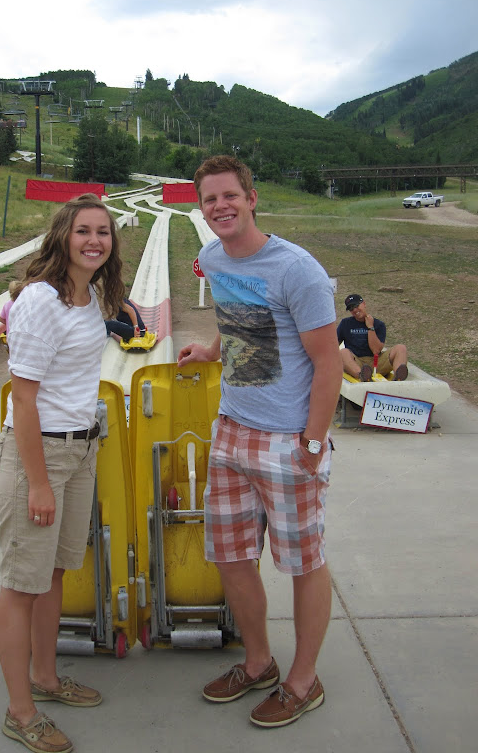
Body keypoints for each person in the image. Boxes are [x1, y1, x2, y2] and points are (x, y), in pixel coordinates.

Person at [177, 156, 342, 729]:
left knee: (303, 563)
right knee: (231, 558)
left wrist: (313, 443)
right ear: (202, 209)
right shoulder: (213, 258)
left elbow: (329, 364)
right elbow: (236, 320)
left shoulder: (298, 271)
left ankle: (303, 680)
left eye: (230, 195)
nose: (220, 206)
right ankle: (258, 663)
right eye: (210, 199)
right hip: (231, 431)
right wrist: (210, 350)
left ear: (251, 198)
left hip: (287, 441)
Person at [0, 194, 124, 753]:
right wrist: (39, 483)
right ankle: (20, 711)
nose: (94, 241)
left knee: (53, 575)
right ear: (62, 236)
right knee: (21, 584)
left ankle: (45, 677)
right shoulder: (41, 300)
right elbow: (23, 400)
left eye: (103, 232)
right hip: (39, 456)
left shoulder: (87, 295)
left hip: (79, 449)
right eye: (83, 231)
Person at [337, 293, 408, 382]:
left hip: (376, 361)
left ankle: (399, 378)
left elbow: (376, 350)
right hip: (356, 361)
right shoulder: (345, 323)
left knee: (401, 348)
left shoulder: (379, 324)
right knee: (343, 352)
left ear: (364, 304)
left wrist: (370, 327)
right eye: (351, 309)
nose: (355, 310)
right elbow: (334, 345)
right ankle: (362, 375)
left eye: (356, 306)